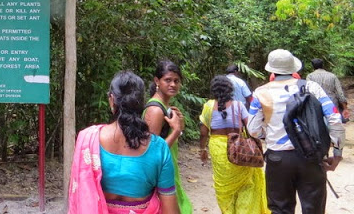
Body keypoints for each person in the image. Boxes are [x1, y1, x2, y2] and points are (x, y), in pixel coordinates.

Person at [247, 49, 345, 214]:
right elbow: (334, 118)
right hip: (311, 156)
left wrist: (269, 133)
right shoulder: (312, 87)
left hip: (278, 159)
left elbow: (253, 130)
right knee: (313, 209)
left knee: (280, 209)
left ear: (271, 70)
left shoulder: (260, 93)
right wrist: (337, 151)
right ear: (294, 68)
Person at [68, 70, 180, 214]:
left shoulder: (88, 139)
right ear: (141, 103)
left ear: (111, 100)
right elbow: (171, 210)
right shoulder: (159, 147)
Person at [199, 75, 269, 214]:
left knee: (224, 186)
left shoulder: (208, 107)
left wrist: (202, 149)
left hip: (218, 148)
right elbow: (251, 128)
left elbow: (203, 132)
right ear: (230, 89)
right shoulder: (239, 105)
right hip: (238, 148)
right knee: (246, 184)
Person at [143, 60, 192, 214]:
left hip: (168, 169)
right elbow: (152, 152)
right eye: (168, 80)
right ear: (157, 81)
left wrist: (179, 126)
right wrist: (176, 131)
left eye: (176, 81)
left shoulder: (166, 108)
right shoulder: (155, 110)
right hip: (159, 174)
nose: (173, 85)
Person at [307, 58, 350, 123]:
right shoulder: (332, 76)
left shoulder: (310, 76)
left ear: (313, 66)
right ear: (322, 65)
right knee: (335, 127)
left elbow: (309, 92)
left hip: (317, 106)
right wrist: (345, 108)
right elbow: (340, 93)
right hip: (332, 105)